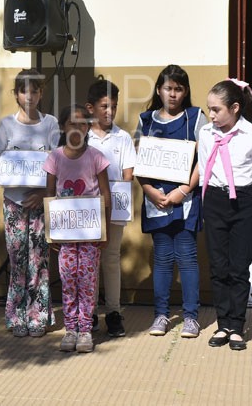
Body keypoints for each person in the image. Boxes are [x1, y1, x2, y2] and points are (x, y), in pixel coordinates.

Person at [196, 79, 252, 351]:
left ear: (235, 108)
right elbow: (205, 167)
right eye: (209, 109)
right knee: (218, 266)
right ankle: (223, 323)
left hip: (242, 198)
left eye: (217, 109)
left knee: (238, 265)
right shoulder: (206, 133)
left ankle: (238, 326)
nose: (212, 115)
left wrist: (245, 200)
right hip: (214, 199)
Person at [135, 64, 205, 339]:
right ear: (159, 90)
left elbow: (205, 160)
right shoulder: (147, 120)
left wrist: (184, 190)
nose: (173, 94)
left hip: (185, 199)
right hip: (156, 199)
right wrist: (150, 190)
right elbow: (137, 161)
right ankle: (161, 315)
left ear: (185, 91)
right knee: (162, 258)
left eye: (178, 89)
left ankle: (190, 318)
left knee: (187, 257)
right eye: (168, 88)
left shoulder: (195, 117)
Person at [0, 68, 59, 337]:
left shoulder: (51, 123)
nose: (29, 96)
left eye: (35, 90)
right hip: (14, 201)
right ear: (16, 94)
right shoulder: (6, 125)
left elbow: (58, 161)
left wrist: (43, 194)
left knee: (39, 259)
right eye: (23, 91)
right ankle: (17, 316)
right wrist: (15, 165)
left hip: (41, 201)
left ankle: (39, 315)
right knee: (18, 258)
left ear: (41, 93)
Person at [45, 104, 111, 353]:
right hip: (65, 234)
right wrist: (50, 231)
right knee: (68, 278)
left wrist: (104, 230)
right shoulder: (55, 157)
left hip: (91, 234)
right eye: (72, 123)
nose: (77, 128)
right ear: (63, 127)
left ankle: (85, 329)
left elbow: (105, 194)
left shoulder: (96, 157)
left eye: (83, 124)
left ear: (88, 128)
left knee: (87, 279)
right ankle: (70, 328)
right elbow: (50, 195)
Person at [85, 79, 136, 338]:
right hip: (88, 210)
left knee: (112, 258)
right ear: (90, 107)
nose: (110, 112)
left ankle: (114, 312)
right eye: (104, 106)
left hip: (114, 207)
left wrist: (119, 200)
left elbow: (128, 174)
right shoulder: (81, 136)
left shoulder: (123, 137)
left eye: (114, 107)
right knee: (89, 260)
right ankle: (90, 312)